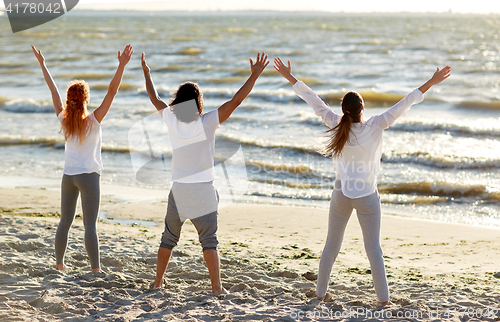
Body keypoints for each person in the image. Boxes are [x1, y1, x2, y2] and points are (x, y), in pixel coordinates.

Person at [274, 57, 450, 306]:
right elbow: (406, 102)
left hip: (341, 195)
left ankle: (320, 294)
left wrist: (290, 77)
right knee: (373, 250)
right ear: (362, 108)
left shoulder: (336, 123)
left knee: (331, 247)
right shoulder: (377, 125)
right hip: (367, 197)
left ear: (344, 109)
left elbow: (313, 100)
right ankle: (383, 301)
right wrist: (430, 82)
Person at [141, 52, 269, 294]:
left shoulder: (171, 119)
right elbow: (235, 101)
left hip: (179, 189)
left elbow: (153, 97)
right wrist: (255, 75)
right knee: (209, 242)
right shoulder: (207, 122)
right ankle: (216, 288)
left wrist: (147, 73)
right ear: (198, 102)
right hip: (203, 190)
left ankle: (158, 282)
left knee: (168, 238)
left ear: (178, 101)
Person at [32, 44, 134, 273]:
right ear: (86, 98)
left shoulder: (63, 119)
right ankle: (95, 270)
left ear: (70, 100)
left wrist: (43, 64)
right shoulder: (94, 121)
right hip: (89, 177)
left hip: (68, 177)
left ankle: (59, 265)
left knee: (64, 222)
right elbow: (112, 93)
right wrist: (122, 66)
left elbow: (54, 92)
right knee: (90, 226)